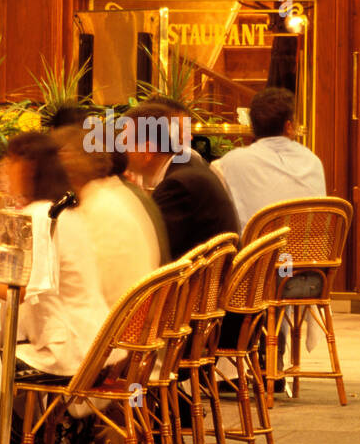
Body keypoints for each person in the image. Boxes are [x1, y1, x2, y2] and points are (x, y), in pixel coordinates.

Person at [0, 132, 112, 377]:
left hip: (65, 352)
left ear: (28, 167)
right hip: (97, 344)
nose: (4, 169)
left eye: (10, 161)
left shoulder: (37, 215)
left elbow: (19, 292)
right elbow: (28, 273)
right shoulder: (64, 211)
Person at [54, 125, 162, 308]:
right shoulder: (114, 195)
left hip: (110, 327)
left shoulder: (93, 209)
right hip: (134, 320)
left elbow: (62, 286)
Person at [122, 102, 238, 259]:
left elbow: (147, 251)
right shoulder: (187, 166)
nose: (121, 152)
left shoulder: (177, 186)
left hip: (201, 281)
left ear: (147, 151)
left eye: (125, 144)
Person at [212, 86, 326, 231]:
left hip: (256, 252)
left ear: (252, 126)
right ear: (289, 126)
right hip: (310, 252)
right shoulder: (313, 161)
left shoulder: (227, 164)